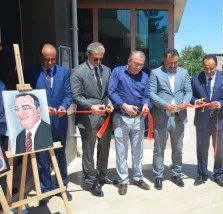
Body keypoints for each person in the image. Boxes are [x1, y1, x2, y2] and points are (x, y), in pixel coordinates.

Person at [25, 44, 73, 203]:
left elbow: (68, 94)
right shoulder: (31, 72)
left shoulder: (64, 72)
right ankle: (46, 189)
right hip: (39, 122)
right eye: (47, 60)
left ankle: (62, 185)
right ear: (40, 58)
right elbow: (26, 96)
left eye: (53, 59)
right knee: (42, 157)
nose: (50, 63)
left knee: (60, 155)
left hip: (59, 121)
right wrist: (42, 108)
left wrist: (63, 106)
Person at [71, 42, 116, 197]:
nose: (98, 62)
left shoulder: (107, 70)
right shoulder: (78, 72)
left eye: (100, 59)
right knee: (88, 151)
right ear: (88, 55)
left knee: (104, 148)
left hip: (105, 117)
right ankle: (91, 182)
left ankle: (102, 175)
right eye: (95, 59)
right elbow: (76, 96)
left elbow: (108, 92)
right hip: (88, 118)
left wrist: (109, 104)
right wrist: (92, 106)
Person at [108, 50, 151, 195]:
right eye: (136, 64)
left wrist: (146, 105)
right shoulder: (117, 72)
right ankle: (123, 180)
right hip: (121, 117)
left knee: (138, 150)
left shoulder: (145, 76)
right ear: (129, 61)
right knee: (121, 151)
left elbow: (146, 96)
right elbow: (111, 92)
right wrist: (124, 105)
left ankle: (138, 177)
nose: (138, 67)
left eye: (141, 65)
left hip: (139, 119)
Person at [149, 48, 192, 190]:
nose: (173, 65)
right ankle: (159, 176)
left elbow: (188, 91)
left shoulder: (184, 72)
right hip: (162, 117)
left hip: (179, 117)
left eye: (175, 62)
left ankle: (176, 174)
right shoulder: (155, 73)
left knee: (178, 148)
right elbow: (152, 94)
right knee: (159, 149)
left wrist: (185, 101)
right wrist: (164, 105)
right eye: (170, 63)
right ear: (164, 60)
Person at [191, 55, 223, 187]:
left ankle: (218, 174)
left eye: (211, 69)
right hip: (202, 120)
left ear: (217, 66)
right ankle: (202, 174)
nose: (208, 71)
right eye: (206, 68)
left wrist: (220, 104)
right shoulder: (196, 78)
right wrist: (196, 101)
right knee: (202, 149)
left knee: (219, 149)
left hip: (220, 120)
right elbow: (190, 95)